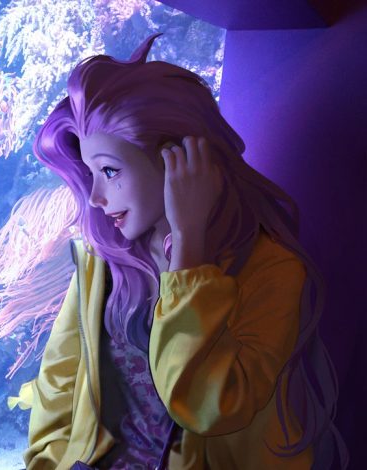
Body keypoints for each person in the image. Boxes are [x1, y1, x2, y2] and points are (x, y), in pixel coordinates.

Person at [23, 33, 348, 470]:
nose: (96, 197)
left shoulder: (273, 271)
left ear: (179, 161)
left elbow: (207, 407)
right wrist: (49, 462)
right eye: (91, 172)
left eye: (111, 171)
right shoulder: (102, 260)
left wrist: (189, 247)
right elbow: (60, 379)